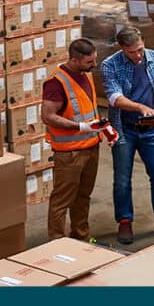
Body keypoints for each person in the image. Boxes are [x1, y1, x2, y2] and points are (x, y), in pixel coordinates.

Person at [100, 27, 154, 244]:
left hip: (151, 130)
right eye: (131, 52)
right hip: (125, 129)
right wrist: (140, 107)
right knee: (122, 179)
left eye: (140, 49)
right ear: (122, 49)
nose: (138, 56)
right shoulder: (110, 65)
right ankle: (125, 221)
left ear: (143, 42)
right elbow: (114, 97)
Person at [42, 38, 106, 240]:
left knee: (83, 197)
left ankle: (81, 237)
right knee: (62, 199)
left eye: (94, 60)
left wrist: (103, 129)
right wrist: (79, 126)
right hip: (70, 152)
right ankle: (57, 241)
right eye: (89, 62)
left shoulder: (85, 75)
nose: (94, 66)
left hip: (91, 146)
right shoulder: (56, 82)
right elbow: (48, 116)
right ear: (75, 59)